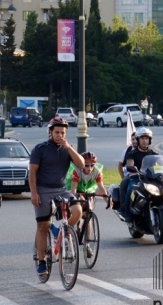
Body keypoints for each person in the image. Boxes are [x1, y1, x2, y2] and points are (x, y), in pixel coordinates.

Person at [29, 117, 85, 276]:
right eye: (57, 132)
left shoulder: (68, 148)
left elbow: (81, 164)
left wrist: (69, 148)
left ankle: (61, 231)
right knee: (43, 226)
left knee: (78, 211)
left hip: (61, 189)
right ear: (50, 132)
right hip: (43, 189)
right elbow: (32, 172)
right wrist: (34, 193)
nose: (59, 135)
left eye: (62, 132)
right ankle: (41, 262)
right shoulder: (40, 149)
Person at [68, 151, 108, 258]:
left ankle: (87, 244)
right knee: (77, 210)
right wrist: (77, 196)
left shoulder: (97, 171)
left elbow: (102, 188)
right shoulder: (77, 170)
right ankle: (68, 233)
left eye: (92, 165)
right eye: (86, 165)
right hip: (75, 190)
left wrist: (108, 201)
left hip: (88, 190)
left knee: (88, 215)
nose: (89, 167)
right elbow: (73, 189)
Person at [118, 127, 158, 222]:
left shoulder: (154, 154)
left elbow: (159, 167)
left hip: (150, 180)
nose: (144, 141)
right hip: (137, 178)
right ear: (138, 140)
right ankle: (127, 214)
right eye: (142, 138)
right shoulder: (132, 154)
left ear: (150, 140)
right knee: (130, 189)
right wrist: (134, 171)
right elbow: (130, 166)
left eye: (146, 138)